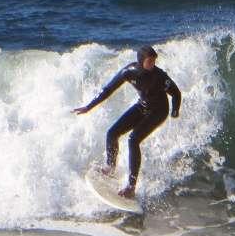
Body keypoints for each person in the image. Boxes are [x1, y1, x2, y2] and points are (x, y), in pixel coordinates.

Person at [74, 45, 182, 198]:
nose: (153, 65)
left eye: (154, 61)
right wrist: (88, 107)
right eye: (150, 62)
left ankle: (131, 186)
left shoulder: (160, 76)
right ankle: (110, 167)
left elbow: (176, 93)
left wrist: (175, 111)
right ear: (141, 61)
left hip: (159, 111)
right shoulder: (128, 72)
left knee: (133, 140)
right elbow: (108, 90)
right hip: (143, 106)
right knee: (112, 133)